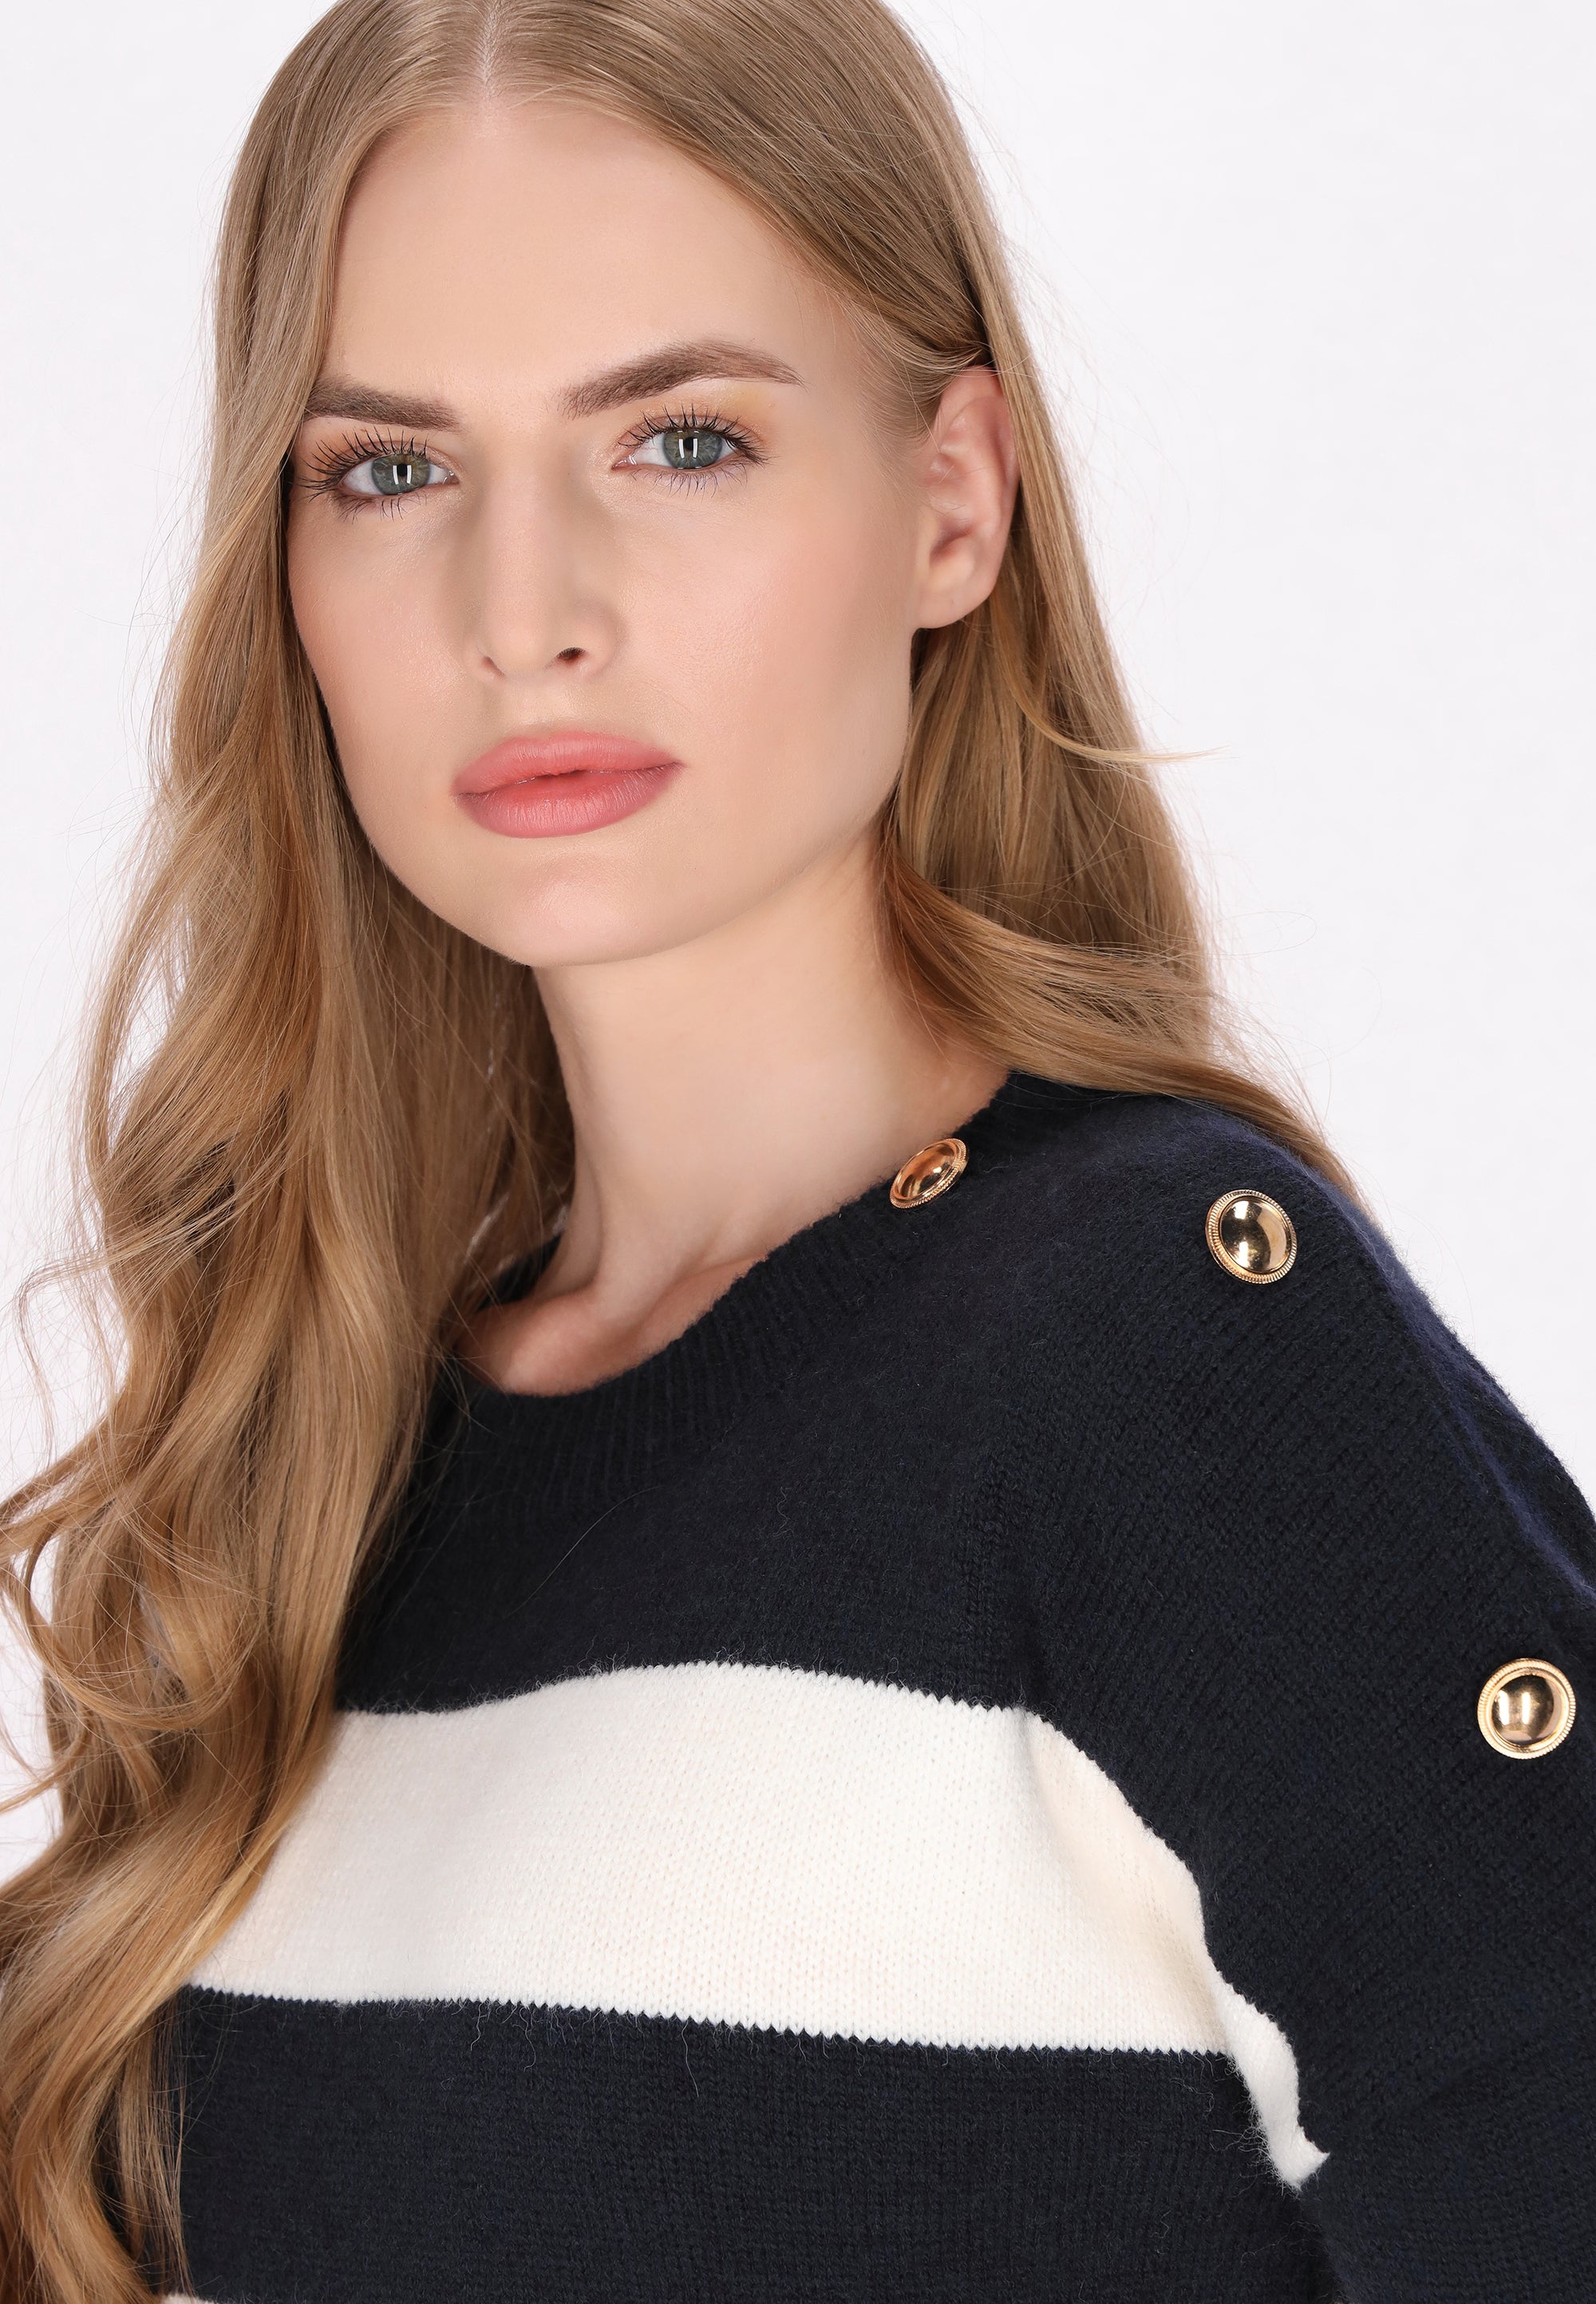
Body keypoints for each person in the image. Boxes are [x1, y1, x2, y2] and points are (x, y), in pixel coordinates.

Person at [2, 0, 1592, 2297]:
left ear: (952, 501)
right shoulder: (331, 1461)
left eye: (681, 440)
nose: (522, 616)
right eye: (389, 471)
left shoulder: (1173, 1359)